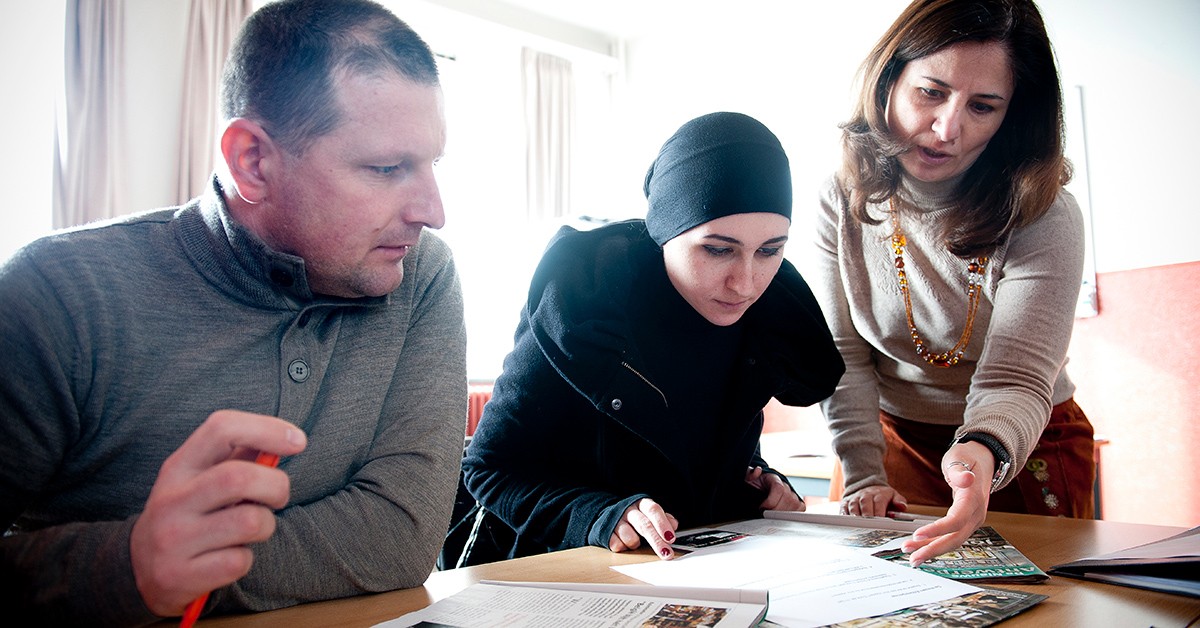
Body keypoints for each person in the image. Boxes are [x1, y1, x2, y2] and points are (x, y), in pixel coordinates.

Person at [0, 0, 467, 624]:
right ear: (253, 160)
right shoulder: (56, 296)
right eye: (387, 168)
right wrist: (128, 565)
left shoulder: (420, 275)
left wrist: (203, 566)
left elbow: (400, 532)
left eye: (432, 163)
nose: (433, 211)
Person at [454, 112, 845, 567]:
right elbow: (491, 469)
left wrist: (763, 484)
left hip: (704, 574)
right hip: (567, 574)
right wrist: (601, 516)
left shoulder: (763, 320)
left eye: (770, 250)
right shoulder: (581, 308)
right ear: (665, 230)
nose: (746, 283)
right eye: (718, 249)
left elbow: (706, 452)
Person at [813, 0, 1096, 566]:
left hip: (1019, 440)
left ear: (1012, 116)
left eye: (983, 106)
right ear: (888, 79)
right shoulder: (841, 198)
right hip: (887, 440)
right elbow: (842, 355)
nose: (947, 129)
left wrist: (981, 452)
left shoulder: (1046, 213)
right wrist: (865, 472)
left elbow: (1017, 376)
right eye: (931, 92)